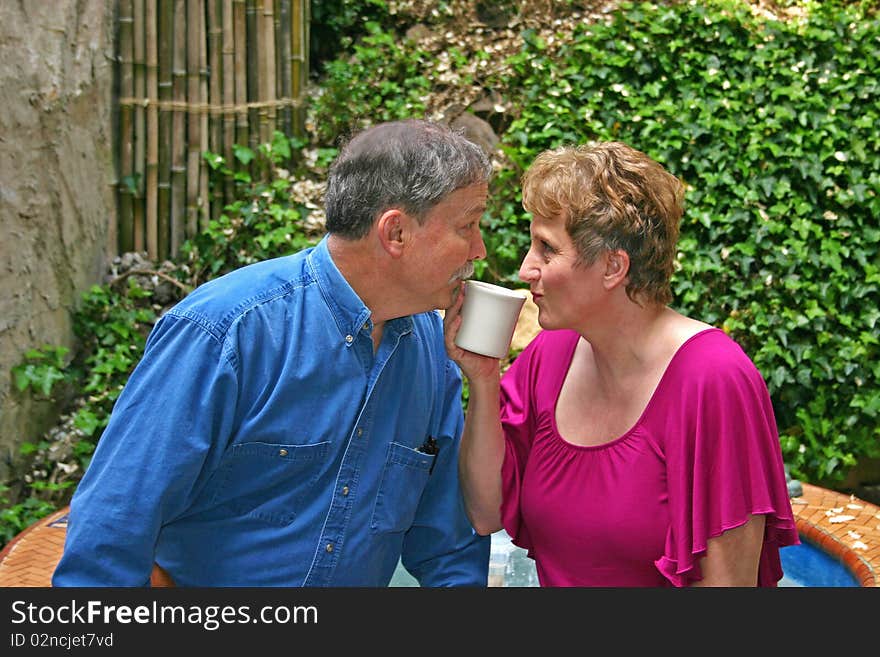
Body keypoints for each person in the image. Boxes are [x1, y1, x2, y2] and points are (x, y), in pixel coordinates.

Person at [52, 119, 492, 586]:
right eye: (468, 226)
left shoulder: (430, 352)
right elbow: (110, 536)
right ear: (396, 233)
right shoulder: (226, 333)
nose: (480, 249)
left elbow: (449, 551)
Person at [445, 141, 800, 586]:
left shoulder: (714, 381)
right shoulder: (549, 357)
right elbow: (485, 513)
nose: (525, 269)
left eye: (546, 249)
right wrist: (482, 379)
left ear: (613, 266)